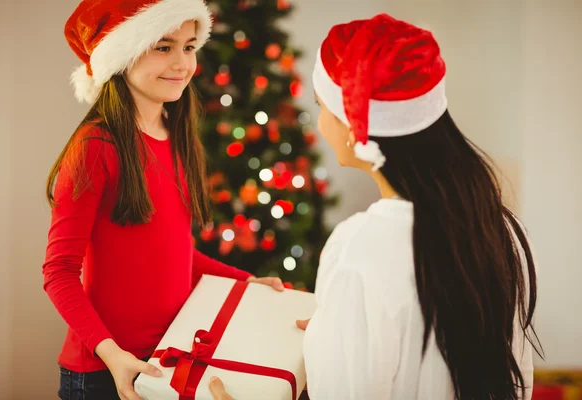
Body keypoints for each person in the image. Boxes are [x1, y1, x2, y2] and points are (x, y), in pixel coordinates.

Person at [209, 13, 542, 400]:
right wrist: (339, 330)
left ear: (354, 127)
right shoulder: (503, 226)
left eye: (321, 106)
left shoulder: (361, 249)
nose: (319, 124)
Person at [42, 1, 284, 399]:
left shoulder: (177, 135)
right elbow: (59, 272)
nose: (182, 64)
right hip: (104, 372)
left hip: (166, 361)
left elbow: (173, 254)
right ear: (122, 54)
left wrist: (246, 283)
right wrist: (112, 354)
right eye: (163, 46)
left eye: (189, 47)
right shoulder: (95, 147)